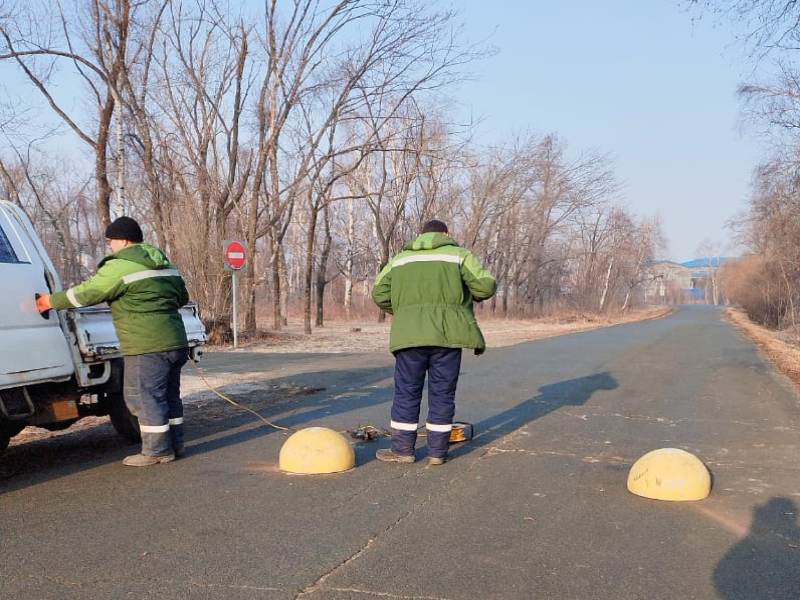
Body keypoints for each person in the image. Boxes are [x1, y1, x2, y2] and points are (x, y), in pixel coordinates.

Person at [36, 216, 190, 467]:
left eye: (111, 241)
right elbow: (181, 297)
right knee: (168, 396)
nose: (110, 246)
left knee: (144, 397)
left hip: (145, 344)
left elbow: (87, 293)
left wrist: (50, 301)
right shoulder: (165, 263)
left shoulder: (121, 266)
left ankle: (157, 451)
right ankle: (175, 444)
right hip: (175, 341)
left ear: (124, 240)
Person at [371, 219, 497, 465]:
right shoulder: (459, 255)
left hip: (409, 336)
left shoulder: (399, 259)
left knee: (406, 391)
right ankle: (438, 453)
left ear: (420, 236)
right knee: (442, 393)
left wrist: (405, 311)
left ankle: (402, 451)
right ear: (447, 234)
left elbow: (379, 293)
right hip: (448, 336)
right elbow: (485, 286)